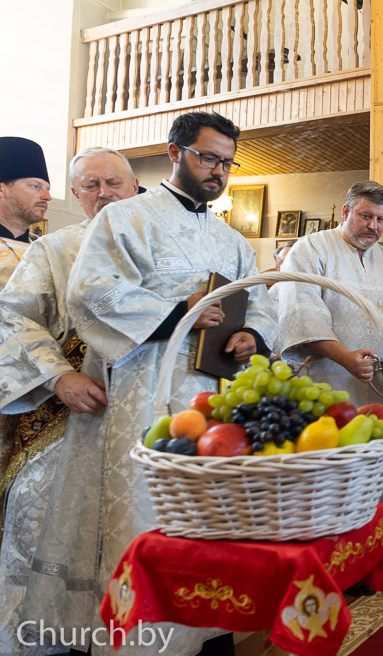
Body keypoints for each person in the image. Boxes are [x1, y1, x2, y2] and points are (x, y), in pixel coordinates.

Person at [66, 112, 277, 655]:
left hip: (218, 404)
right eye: (208, 157)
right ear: (175, 152)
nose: (218, 170)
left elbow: (261, 302)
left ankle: (210, 633)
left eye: (227, 163)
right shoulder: (124, 219)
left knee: (216, 520)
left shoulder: (232, 240)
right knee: (150, 519)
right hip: (148, 396)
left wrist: (252, 335)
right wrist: (177, 311)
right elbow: (91, 292)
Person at [0, 147, 139, 652]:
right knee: (42, 526)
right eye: (90, 186)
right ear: (76, 194)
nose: (103, 194)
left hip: (154, 428)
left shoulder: (172, 246)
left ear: (134, 187)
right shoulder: (54, 250)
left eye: (113, 183)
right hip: (68, 422)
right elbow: (13, 318)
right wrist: (59, 377)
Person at [275, 182, 383, 509]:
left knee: (369, 488)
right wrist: (345, 358)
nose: (374, 226)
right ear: (346, 212)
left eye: (381, 219)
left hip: (373, 395)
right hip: (321, 389)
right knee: (321, 490)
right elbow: (303, 314)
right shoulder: (310, 250)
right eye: (365, 216)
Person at [0, 137, 50, 288]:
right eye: (35, 186)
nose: (47, 196)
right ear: (2, 190)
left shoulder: (47, 252)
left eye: (48, 189)